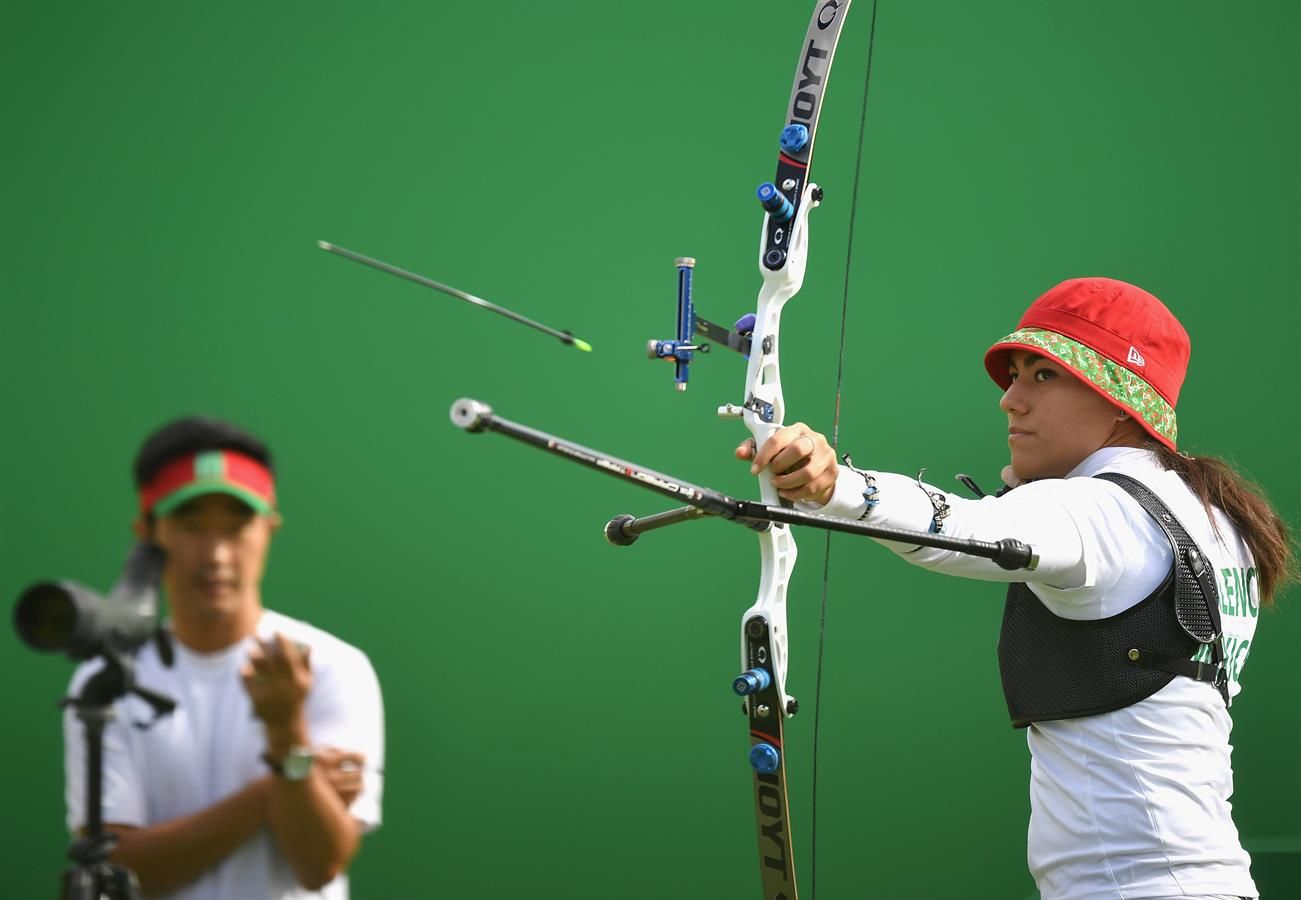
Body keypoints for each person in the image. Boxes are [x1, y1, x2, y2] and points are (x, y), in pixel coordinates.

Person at [738, 277, 1294, 900]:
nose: (1010, 399)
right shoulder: (1203, 512)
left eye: (1043, 376)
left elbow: (973, 530)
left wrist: (833, 485)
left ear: (1120, 401)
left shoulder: (1108, 512)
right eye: (1015, 375)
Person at [63, 416, 385, 899]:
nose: (215, 554)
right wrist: (280, 782)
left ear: (270, 529)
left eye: (237, 528)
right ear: (147, 534)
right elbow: (121, 871)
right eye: (191, 526)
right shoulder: (104, 682)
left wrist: (284, 728)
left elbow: (319, 865)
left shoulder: (335, 668)